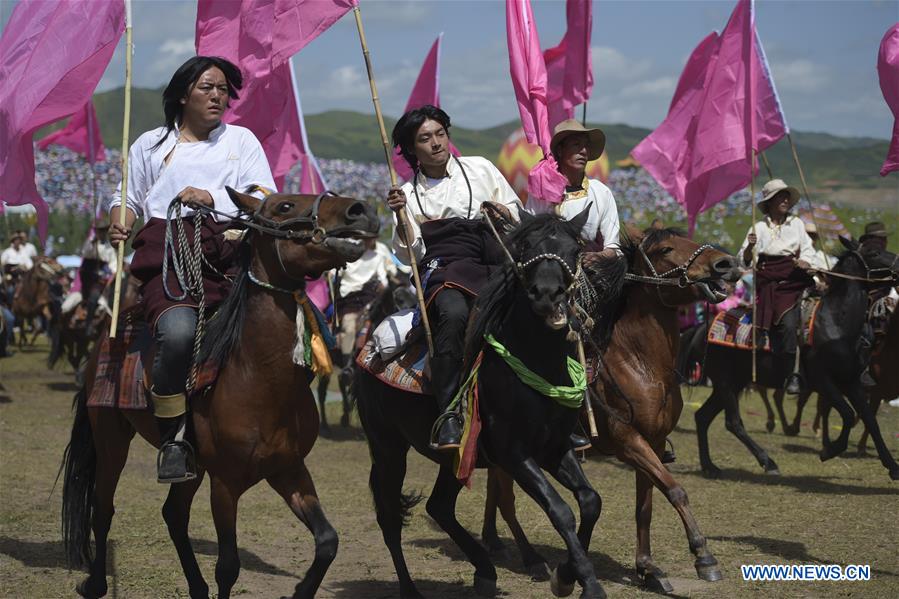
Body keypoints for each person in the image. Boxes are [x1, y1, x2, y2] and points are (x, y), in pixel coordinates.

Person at [108, 56, 276, 483]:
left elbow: (262, 197)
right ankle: (173, 438)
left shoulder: (241, 140)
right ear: (184, 94)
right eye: (208, 87)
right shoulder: (150, 143)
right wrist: (119, 216)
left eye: (223, 89)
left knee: (279, 328)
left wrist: (214, 199)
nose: (218, 95)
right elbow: (128, 195)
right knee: (179, 332)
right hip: (168, 257)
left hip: (227, 254)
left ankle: (273, 423)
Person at [387, 105, 522, 450]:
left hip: (492, 257)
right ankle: (448, 413)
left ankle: (566, 404)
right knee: (453, 312)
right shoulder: (407, 193)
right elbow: (410, 257)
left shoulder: (480, 167)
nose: (435, 143)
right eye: (424, 138)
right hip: (445, 266)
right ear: (411, 149)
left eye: (440, 134)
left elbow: (517, 213)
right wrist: (402, 217)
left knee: (541, 304)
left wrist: (504, 211)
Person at [738, 179, 816, 394]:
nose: (785, 200)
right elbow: (745, 260)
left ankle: (802, 371)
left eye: (786, 196)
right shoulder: (759, 227)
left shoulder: (797, 223)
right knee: (788, 325)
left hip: (793, 278)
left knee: (801, 319)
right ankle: (788, 374)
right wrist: (750, 247)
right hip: (768, 281)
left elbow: (808, 249)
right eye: (780, 197)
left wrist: (806, 262)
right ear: (770, 202)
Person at [336, 237, 398, 362]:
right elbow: (334, 273)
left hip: (370, 297)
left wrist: (383, 288)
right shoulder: (347, 254)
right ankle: (346, 362)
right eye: (365, 238)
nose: (368, 241)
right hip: (349, 298)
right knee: (349, 328)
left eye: (370, 238)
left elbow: (384, 279)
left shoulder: (378, 255)